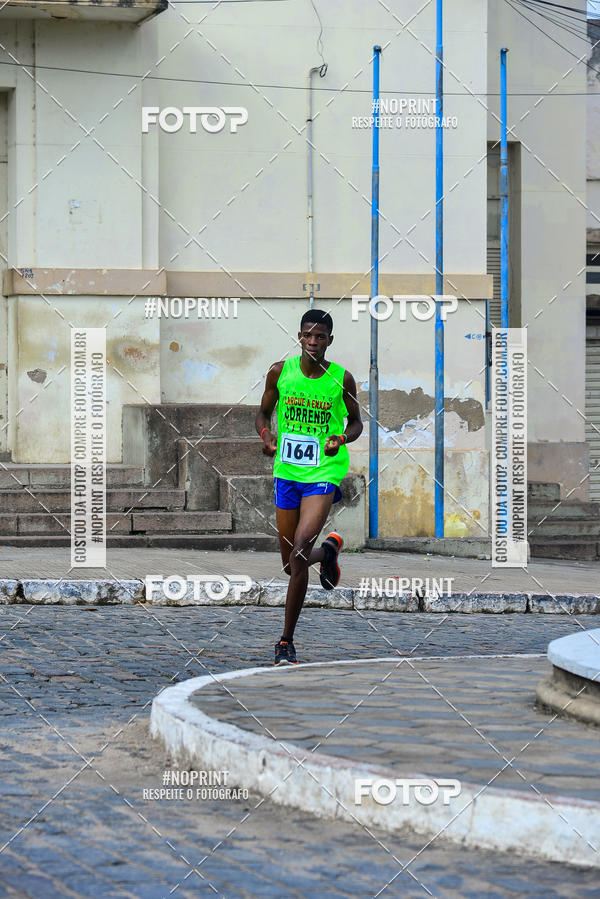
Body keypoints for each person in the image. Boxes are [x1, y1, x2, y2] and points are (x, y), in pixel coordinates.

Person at [255, 309, 363, 666]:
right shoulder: (279, 372)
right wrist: (266, 435)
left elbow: (356, 423)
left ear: (330, 341)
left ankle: (285, 641)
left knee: (301, 547)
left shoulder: (341, 379)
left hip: (323, 471)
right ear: (299, 337)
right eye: (307, 335)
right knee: (291, 565)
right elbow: (262, 414)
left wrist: (340, 438)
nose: (313, 342)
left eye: (320, 337)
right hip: (287, 472)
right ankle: (329, 552)